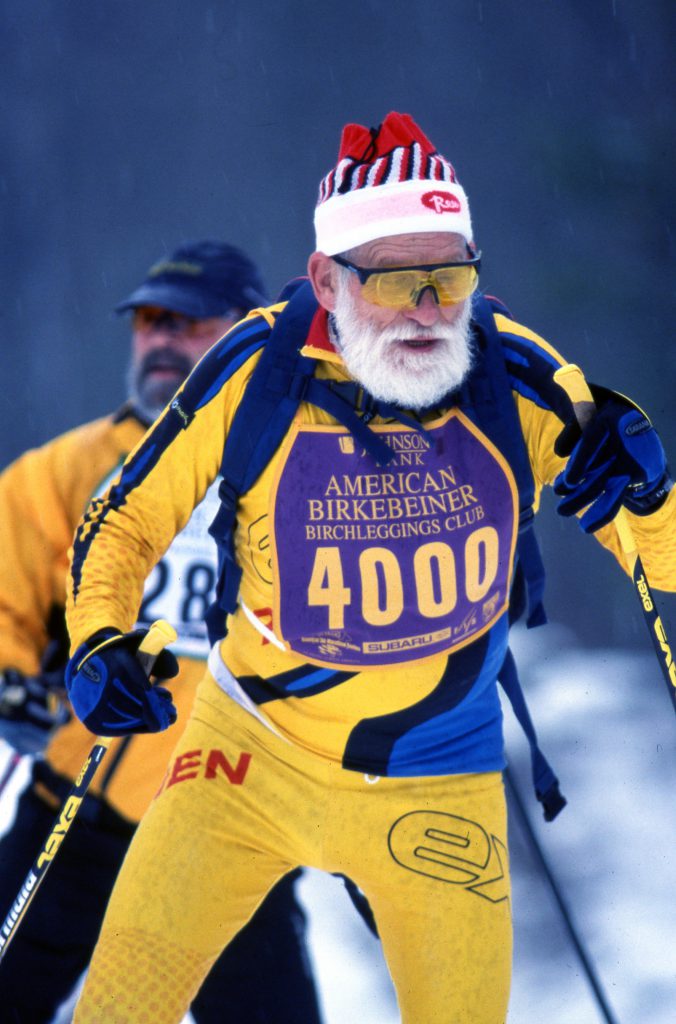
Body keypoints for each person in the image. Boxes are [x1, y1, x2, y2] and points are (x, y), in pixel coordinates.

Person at [63, 114, 675, 1024]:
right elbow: (126, 516)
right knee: (116, 1011)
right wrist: (98, 636)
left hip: (439, 778)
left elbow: (660, 564)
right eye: (395, 281)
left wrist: (651, 490)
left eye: (450, 277)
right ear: (326, 280)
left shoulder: (515, 379)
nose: (429, 310)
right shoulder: (258, 372)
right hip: (247, 759)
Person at [0, 241, 322, 1023]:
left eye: (191, 322)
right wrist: (11, 680)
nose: (163, 340)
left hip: (235, 830)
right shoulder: (63, 472)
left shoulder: (307, 467)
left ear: (249, 332)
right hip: (80, 813)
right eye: (150, 321)